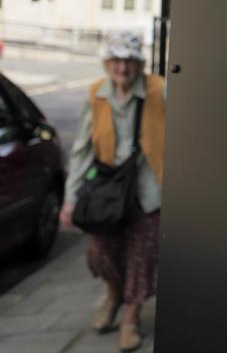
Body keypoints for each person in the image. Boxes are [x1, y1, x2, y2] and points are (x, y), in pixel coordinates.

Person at [60, 31, 165, 353]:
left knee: (141, 257)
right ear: (107, 63)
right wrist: (70, 198)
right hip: (108, 190)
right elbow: (80, 151)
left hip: (148, 191)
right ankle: (114, 293)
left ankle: (130, 317)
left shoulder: (159, 91)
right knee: (101, 254)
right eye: (116, 60)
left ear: (139, 64)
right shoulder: (97, 95)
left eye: (129, 61)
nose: (122, 68)